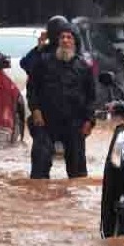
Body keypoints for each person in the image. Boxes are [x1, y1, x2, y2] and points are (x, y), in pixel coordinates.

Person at [27, 16, 96, 179]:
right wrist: (35, 110)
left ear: (74, 42)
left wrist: (89, 121)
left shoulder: (83, 67)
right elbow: (32, 88)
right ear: (57, 41)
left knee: (78, 173)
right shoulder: (43, 62)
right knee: (40, 163)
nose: (65, 40)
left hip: (74, 123)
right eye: (62, 37)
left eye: (69, 37)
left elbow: (91, 98)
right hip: (46, 121)